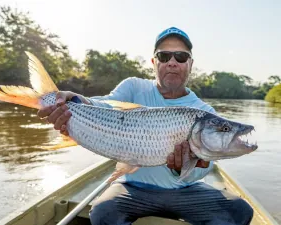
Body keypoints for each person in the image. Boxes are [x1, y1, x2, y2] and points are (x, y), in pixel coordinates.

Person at [37, 27, 254, 225]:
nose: (172, 62)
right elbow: (102, 105)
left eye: (180, 56)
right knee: (103, 213)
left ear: (190, 64)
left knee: (239, 211)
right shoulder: (133, 87)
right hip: (132, 189)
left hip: (185, 191)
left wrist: (185, 167)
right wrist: (75, 101)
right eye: (164, 55)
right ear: (154, 62)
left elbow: (205, 168)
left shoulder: (203, 110)